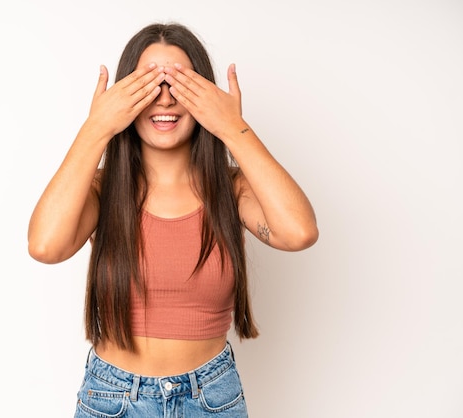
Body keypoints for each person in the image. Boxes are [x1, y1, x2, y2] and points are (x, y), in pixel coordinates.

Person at [28, 22, 318, 418]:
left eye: (180, 85)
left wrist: (232, 127)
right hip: (113, 398)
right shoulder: (101, 189)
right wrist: (96, 128)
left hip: (212, 397)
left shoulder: (232, 189)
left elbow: (299, 232)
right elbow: (45, 246)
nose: (164, 100)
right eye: (148, 85)